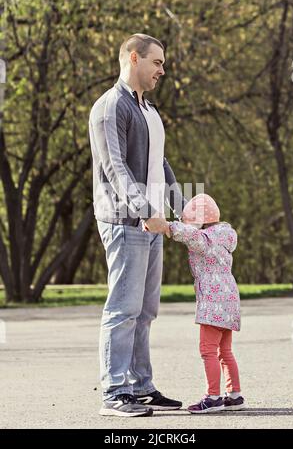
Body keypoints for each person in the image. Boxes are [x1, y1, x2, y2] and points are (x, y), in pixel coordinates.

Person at [89, 33, 185, 417]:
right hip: (125, 220)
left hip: (150, 223)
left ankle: (141, 387)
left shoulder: (149, 110)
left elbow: (159, 163)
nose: (162, 69)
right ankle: (114, 393)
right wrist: (146, 210)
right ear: (134, 58)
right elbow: (116, 167)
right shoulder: (110, 107)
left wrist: (183, 208)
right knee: (123, 310)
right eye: (157, 62)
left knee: (145, 311)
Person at [166, 193, 245, 413]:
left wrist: (166, 226)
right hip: (229, 300)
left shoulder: (205, 239)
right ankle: (235, 395)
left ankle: (213, 398)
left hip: (213, 302)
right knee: (225, 351)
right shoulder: (224, 236)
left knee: (207, 350)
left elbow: (188, 235)